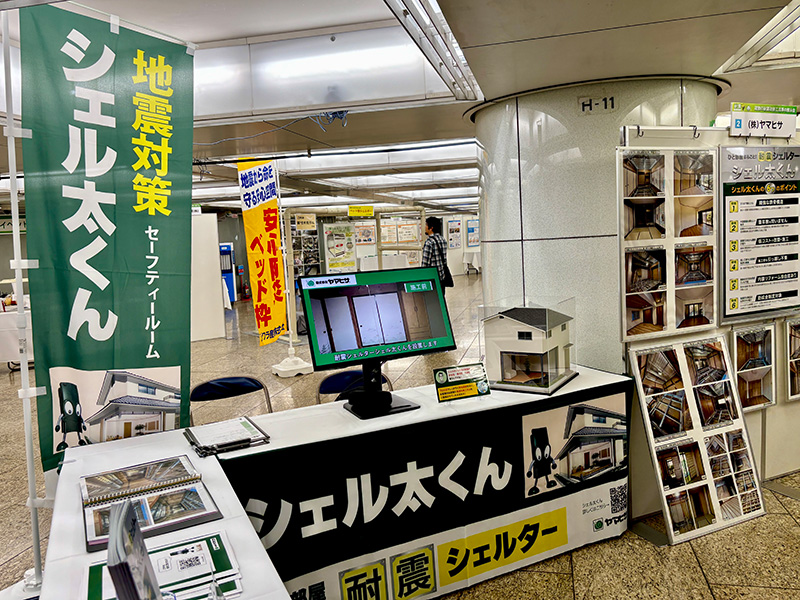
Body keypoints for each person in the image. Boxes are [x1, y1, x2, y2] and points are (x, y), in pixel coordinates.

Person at [422, 216, 448, 296]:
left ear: (431, 228)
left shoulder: (429, 242)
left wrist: (423, 278)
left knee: (432, 300)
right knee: (441, 298)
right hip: (442, 277)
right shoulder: (442, 239)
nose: (425, 227)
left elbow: (425, 264)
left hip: (432, 278)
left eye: (426, 225)